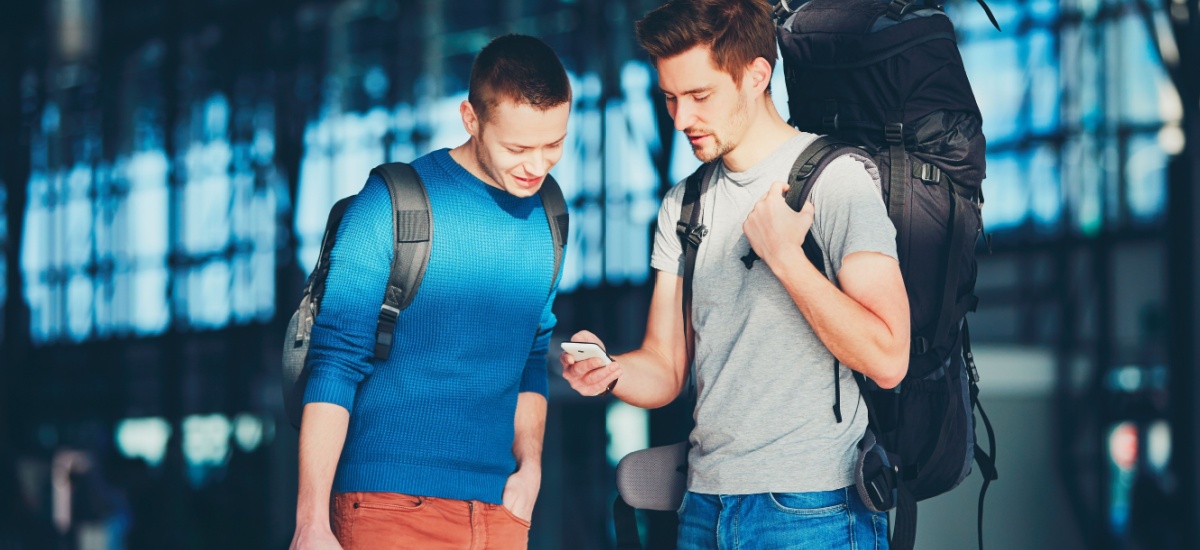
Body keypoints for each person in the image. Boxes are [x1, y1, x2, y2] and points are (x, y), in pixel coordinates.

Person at [560, 1, 910, 548]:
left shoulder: (836, 181)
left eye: (700, 96)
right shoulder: (685, 205)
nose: (681, 119)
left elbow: (889, 358)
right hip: (704, 509)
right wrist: (608, 372)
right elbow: (666, 367)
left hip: (811, 510)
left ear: (756, 76)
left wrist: (785, 258)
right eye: (671, 98)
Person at [290, 34, 571, 550]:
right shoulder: (390, 205)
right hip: (387, 507)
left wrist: (529, 469)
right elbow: (334, 362)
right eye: (517, 148)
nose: (537, 165)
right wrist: (310, 523)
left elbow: (530, 354)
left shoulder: (550, 216)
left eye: (553, 144)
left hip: (500, 512)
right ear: (471, 118)